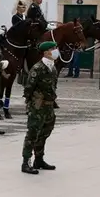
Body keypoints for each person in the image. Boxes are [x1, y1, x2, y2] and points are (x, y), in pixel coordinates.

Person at [22, 41, 59, 174]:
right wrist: (31, 104)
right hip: (38, 107)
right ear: (45, 52)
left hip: (49, 107)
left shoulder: (53, 68)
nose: (55, 50)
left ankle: (39, 159)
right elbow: (28, 89)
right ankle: (26, 162)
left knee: (44, 133)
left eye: (55, 48)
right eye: (52, 48)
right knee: (32, 134)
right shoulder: (37, 68)